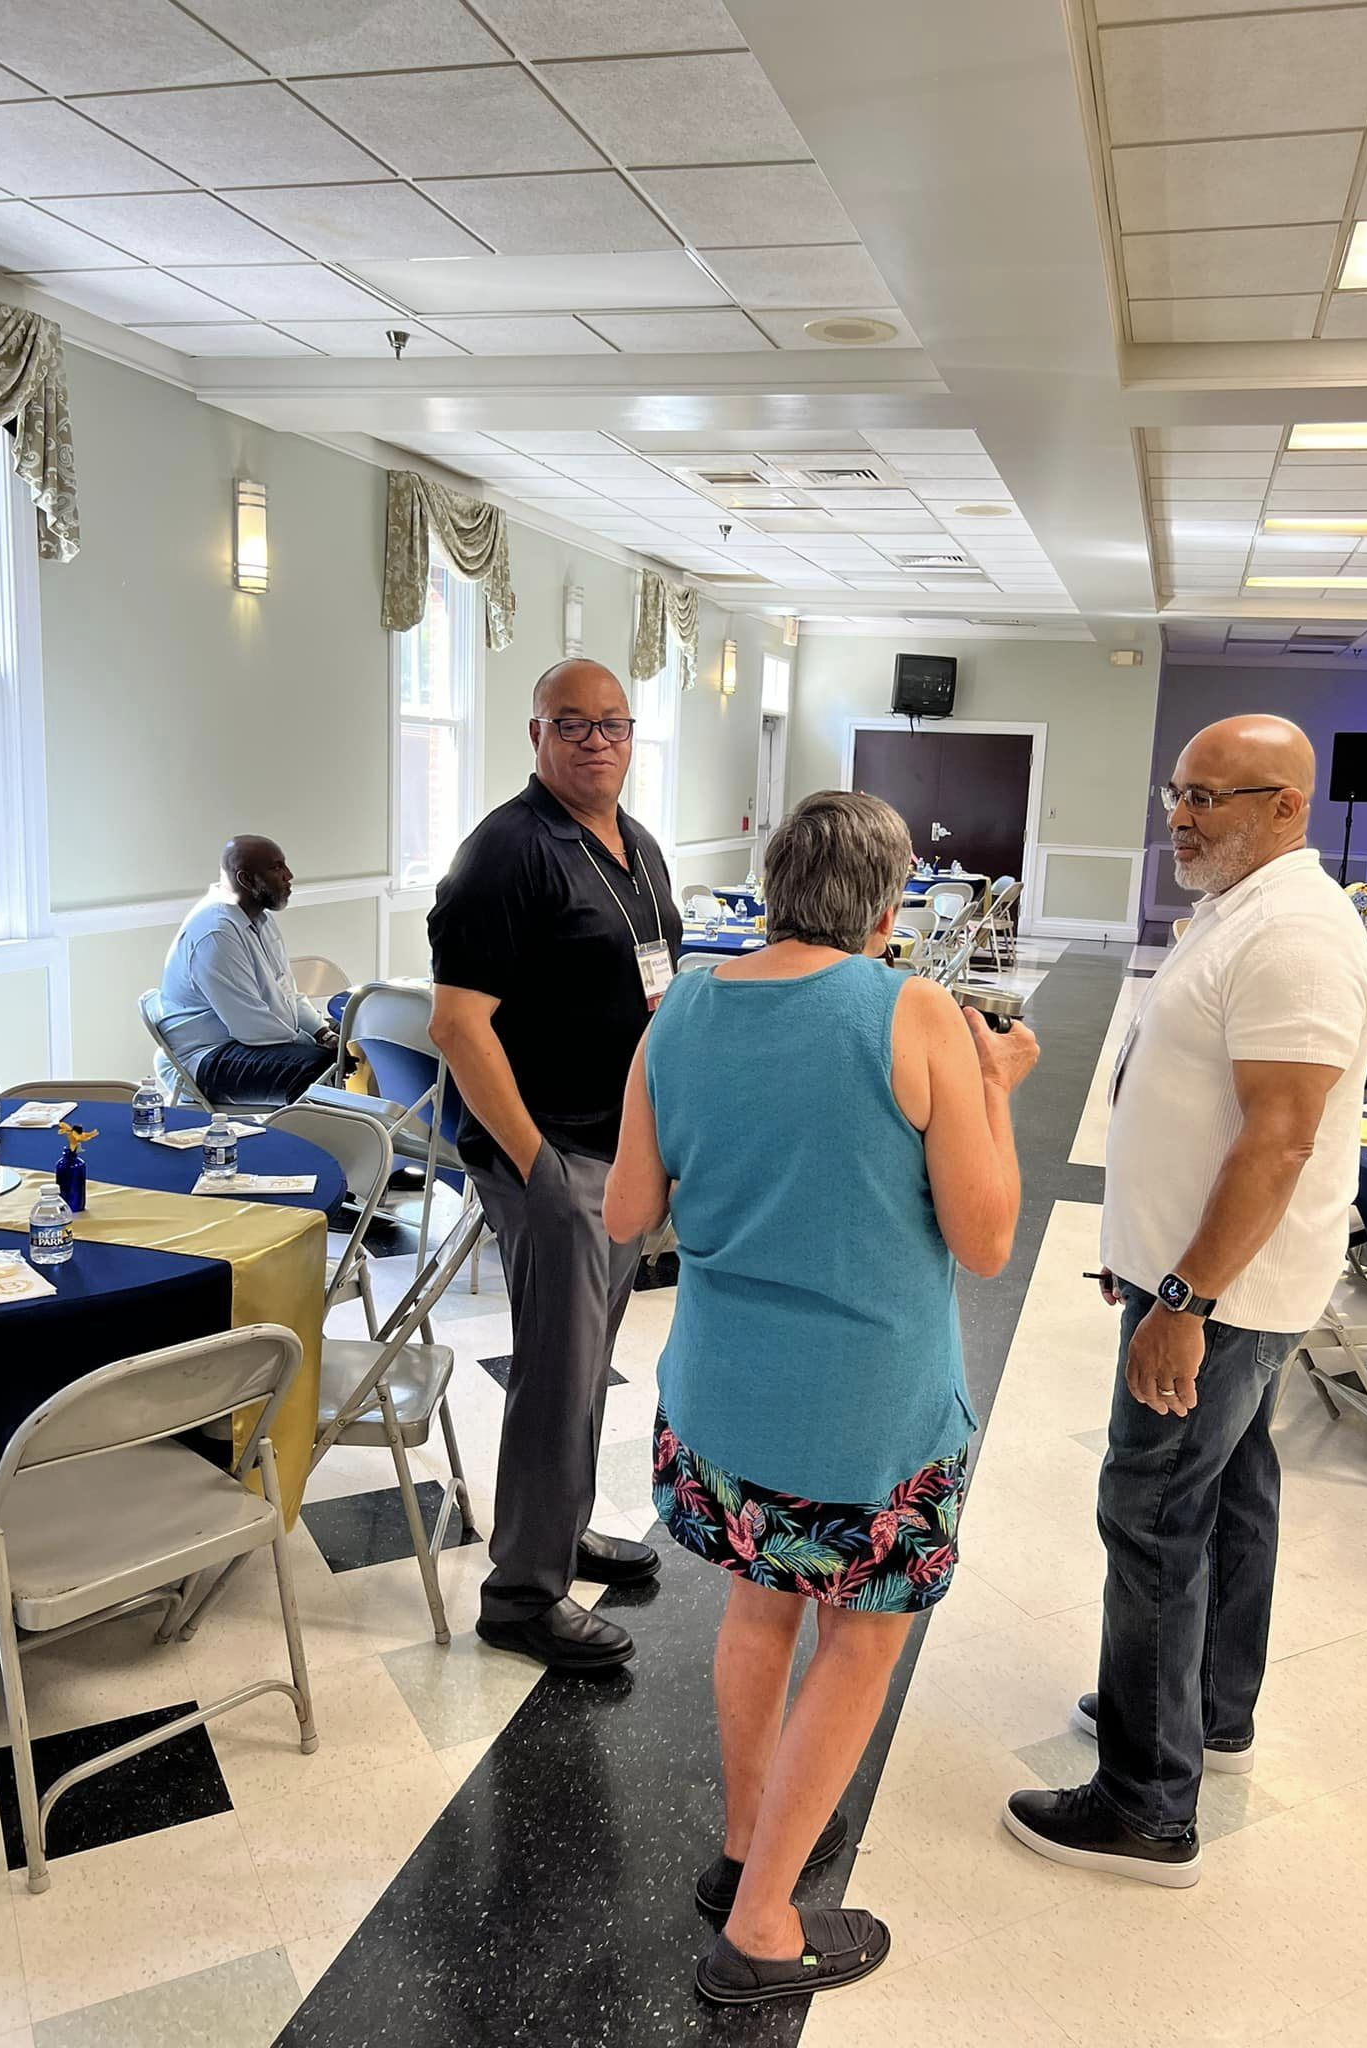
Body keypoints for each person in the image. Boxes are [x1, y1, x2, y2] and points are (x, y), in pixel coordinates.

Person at [604, 790, 1038, 2006]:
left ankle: (753, 1840)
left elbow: (629, 1214)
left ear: (772, 878)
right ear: (891, 902)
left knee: (758, 1614)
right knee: (861, 1637)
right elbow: (988, 1236)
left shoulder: (681, 1003)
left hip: (721, 1394)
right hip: (869, 1414)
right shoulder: (914, 1009)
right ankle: (760, 1924)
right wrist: (995, 1084)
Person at [1004, 715, 1367, 1887]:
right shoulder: (1245, 909)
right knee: (1227, 1496)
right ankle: (1208, 1713)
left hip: (1220, 1293)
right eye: (1181, 790)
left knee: (1154, 1510)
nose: (1183, 812)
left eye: (1215, 796)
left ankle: (1144, 1800)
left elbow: (1279, 1139)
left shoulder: (1300, 934)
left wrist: (1185, 1297)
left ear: (1288, 808)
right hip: (1215, 1284)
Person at [427, 659, 680, 1674]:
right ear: (536, 732)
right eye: (571, 724)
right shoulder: (506, 852)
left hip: (615, 1151)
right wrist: (533, 1163)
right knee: (554, 1373)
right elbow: (457, 1024)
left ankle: (561, 1533)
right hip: (553, 1156)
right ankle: (523, 1594)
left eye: (612, 723)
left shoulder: (633, 845)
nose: (595, 740)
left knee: (589, 1363)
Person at [155, 836, 338, 1105]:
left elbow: (287, 995)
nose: (289, 876)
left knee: (358, 1037)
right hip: (207, 1057)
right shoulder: (216, 933)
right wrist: (315, 1043)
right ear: (247, 880)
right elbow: (252, 1027)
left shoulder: (259, 918)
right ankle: (323, 1142)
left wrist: (324, 1032)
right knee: (325, 1065)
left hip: (246, 1042)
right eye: (277, 868)